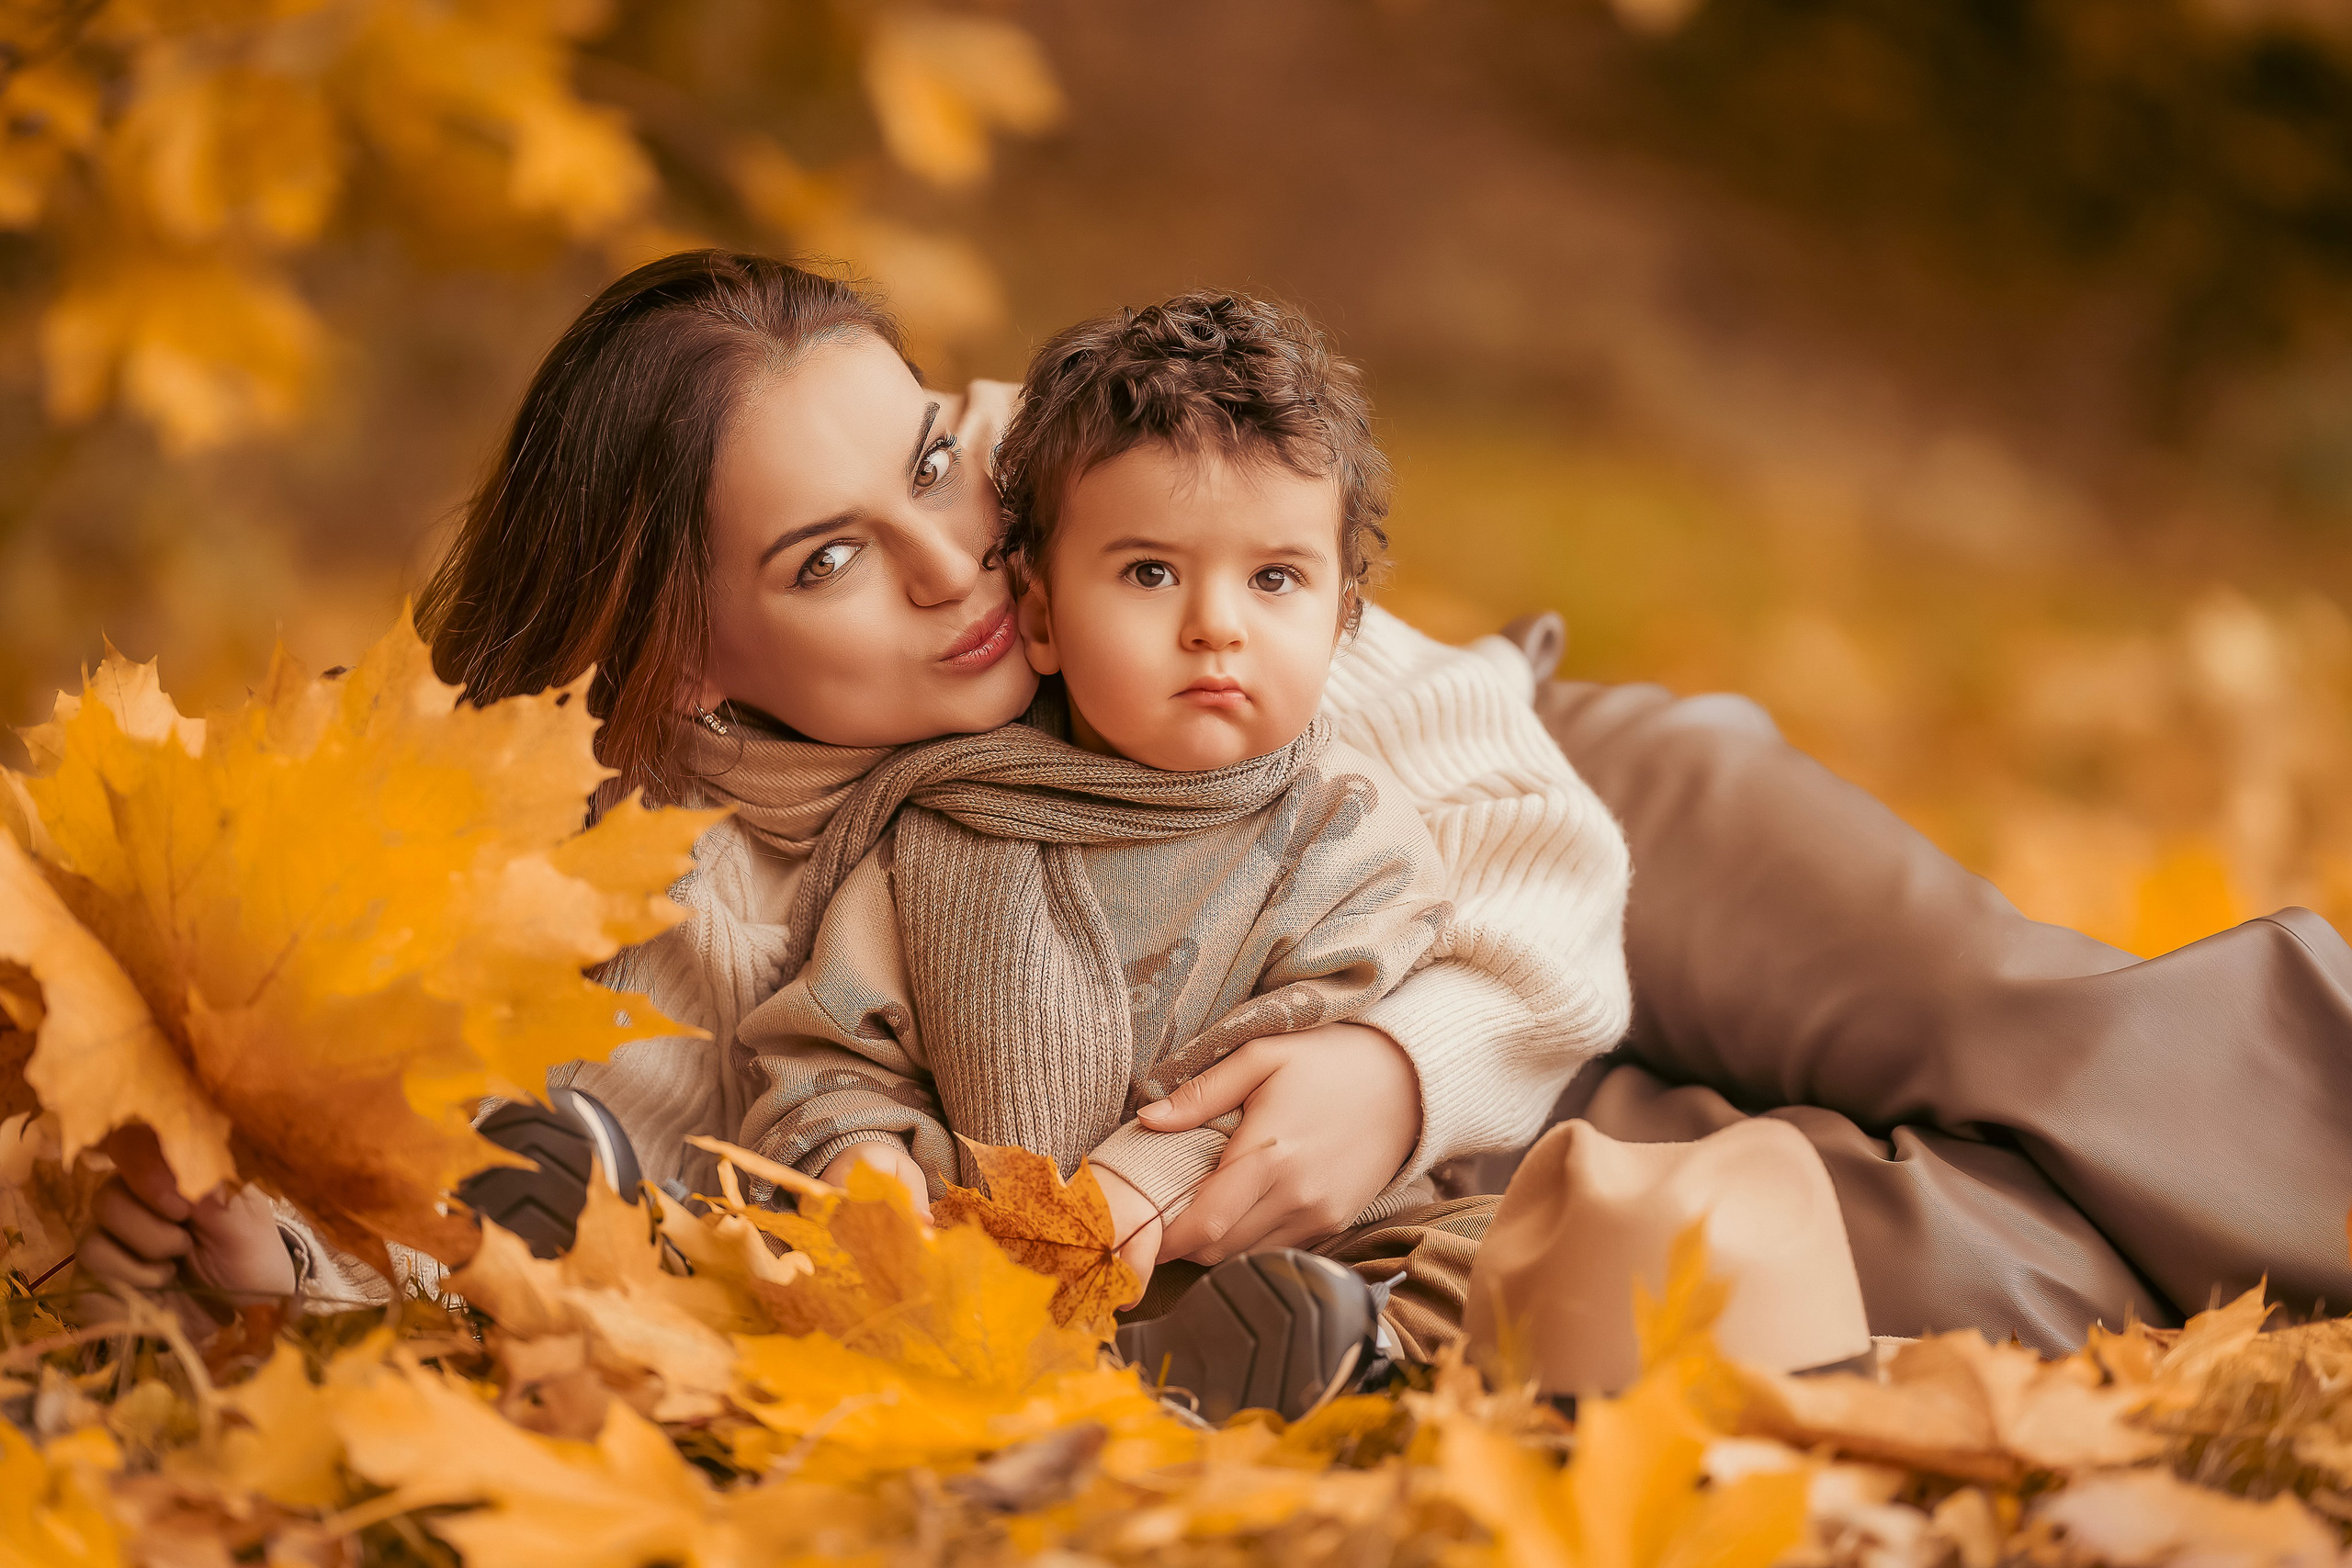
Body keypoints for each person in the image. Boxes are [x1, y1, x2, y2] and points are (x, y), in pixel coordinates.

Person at [76, 250, 2352, 1361]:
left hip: (1560, 833)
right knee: (1729, 1250)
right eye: (828, 560)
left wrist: (1384, 1066)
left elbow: (1534, 849)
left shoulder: (1101, 541)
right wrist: (300, 1243)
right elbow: (605, 1143)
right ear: (683, 664)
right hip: (1424, 1125)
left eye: (933, 469)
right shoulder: (686, 888)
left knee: (2030, 1036)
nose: (960, 561)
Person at [732, 292, 1637, 1346]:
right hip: (992, 1278)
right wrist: (863, 1161)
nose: (1215, 626)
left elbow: (1301, 1049)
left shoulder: (1344, 830)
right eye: (1150, 573)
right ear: (1038, 613)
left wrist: (1127, 1195)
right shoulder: (943, 833)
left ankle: (1352, 1351)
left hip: (1308, 1249)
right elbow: (827, 1052)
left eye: (1274, 579)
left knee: (1520, 1242)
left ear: (1344, 615)